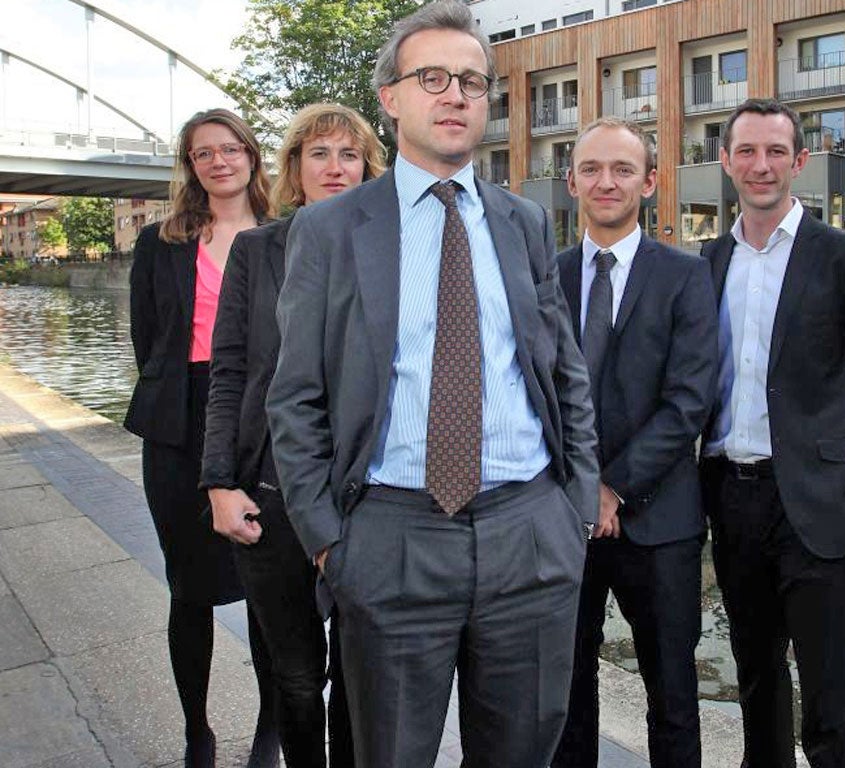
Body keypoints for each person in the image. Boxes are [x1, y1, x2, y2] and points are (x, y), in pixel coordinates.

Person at [265, 2, 599, 766]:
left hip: (531, 538)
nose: (456, 95)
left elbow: (564, 371)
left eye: (473, 82)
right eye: (434, 77)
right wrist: (328, 540)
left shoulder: (523, 222)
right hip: (391, 538)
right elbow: (295, 396)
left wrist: (574, 505)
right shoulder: (330, 230)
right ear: (391, 98)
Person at [699, 99, 845, 768]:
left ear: (799, 161)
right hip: (734, 501)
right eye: (746, 152)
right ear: (726, 162)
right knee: (757, 675)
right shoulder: (706, 263)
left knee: (834, 691)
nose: (760, 166)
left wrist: (831, 444)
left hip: (823, 501)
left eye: (774, 152)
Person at [201, 104, 386, 767]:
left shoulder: (396, 254)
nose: (335, 168)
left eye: (350, 155)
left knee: (365, 680)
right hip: (273, 497)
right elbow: (228, 373)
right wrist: (221, 483)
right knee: (299, 678)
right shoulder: (257, 252)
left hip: (372, 500)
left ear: (369, 168)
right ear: (294, 170)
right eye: (319, 154)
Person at [551, 118, 717, 768]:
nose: (606, 181)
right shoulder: (548, 277)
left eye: (622, 169)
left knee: (672, 698)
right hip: (563, 519)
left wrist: (613, 485)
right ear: (571, 183)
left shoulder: (686, 276)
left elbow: (688, 402)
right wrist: (578, 487)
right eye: (591, 168)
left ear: (649, 181)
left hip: (661, 523)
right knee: (566, 695)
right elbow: (529, 394)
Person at [123, 108, 278, 767]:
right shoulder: (161, 243)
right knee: (188, 587)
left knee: (272, 585)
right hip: (178, 424)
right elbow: (147, 338)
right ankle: (198, 732)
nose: (218, 162)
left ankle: (272, 729)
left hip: (263, 419)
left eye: (229, 149)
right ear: (190, 167)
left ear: (251, 155)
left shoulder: (283, 236)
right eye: (202, 154)